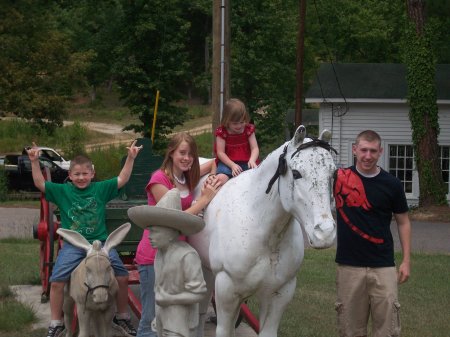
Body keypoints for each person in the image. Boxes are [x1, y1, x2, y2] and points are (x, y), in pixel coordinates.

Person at [27, 141, 142, 337]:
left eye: (85, 174)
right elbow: (39, 183)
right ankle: (57, 322)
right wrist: (34, 162)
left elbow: (122, 178)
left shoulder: (100, 189)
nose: (81, 178)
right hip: (75, 245)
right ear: (69, 176)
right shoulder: (63, 191)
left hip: (101, 245)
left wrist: (131, 157)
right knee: (57, 281)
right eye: (77, 174)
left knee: (122, 276)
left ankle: (121, 316)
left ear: (92, 174)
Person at [134, 132, 220, 337]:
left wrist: (214, 176)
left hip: (177, 255)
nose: (187, 158)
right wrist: (204, 199)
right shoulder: (159, 179)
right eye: (182, 152)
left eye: (191, 154)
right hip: (154, 255)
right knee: (151, 320)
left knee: (172, 318)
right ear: (171, 153)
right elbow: (173, 218)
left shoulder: (186, 176)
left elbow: (214, 162)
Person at [333, 130, 411, 337]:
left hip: (383, 266)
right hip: (349, 265)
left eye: (373, 151)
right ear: (354, 150)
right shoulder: (339, 179)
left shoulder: (392, 184)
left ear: (380, 152)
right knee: (350, 330)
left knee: (387, 328)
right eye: (364, 150)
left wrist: (406, 260)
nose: (368, 156)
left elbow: (403, 222)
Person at [129, 189, 208, 337]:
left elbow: (198, 292)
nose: (150, 236)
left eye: (155, 232)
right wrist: (158, 316)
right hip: (163, 319)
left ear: (171, 233)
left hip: (180, 323)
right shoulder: (160, 255)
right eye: (149, 231)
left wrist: (170, 299)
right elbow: (160, 290)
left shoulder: (187, 255)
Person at [214, 98, 259, 184]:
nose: (239, 126)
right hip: (228, 163)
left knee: (258, 179)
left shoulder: (248, 129)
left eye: (242, 122)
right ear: (227, 121)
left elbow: (255, 148)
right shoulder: (222, 132)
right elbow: (220, 153)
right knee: (220, 179)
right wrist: (232, 165)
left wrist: (252, 160)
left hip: (247, 161)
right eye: (235, 123)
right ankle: (215, 195)